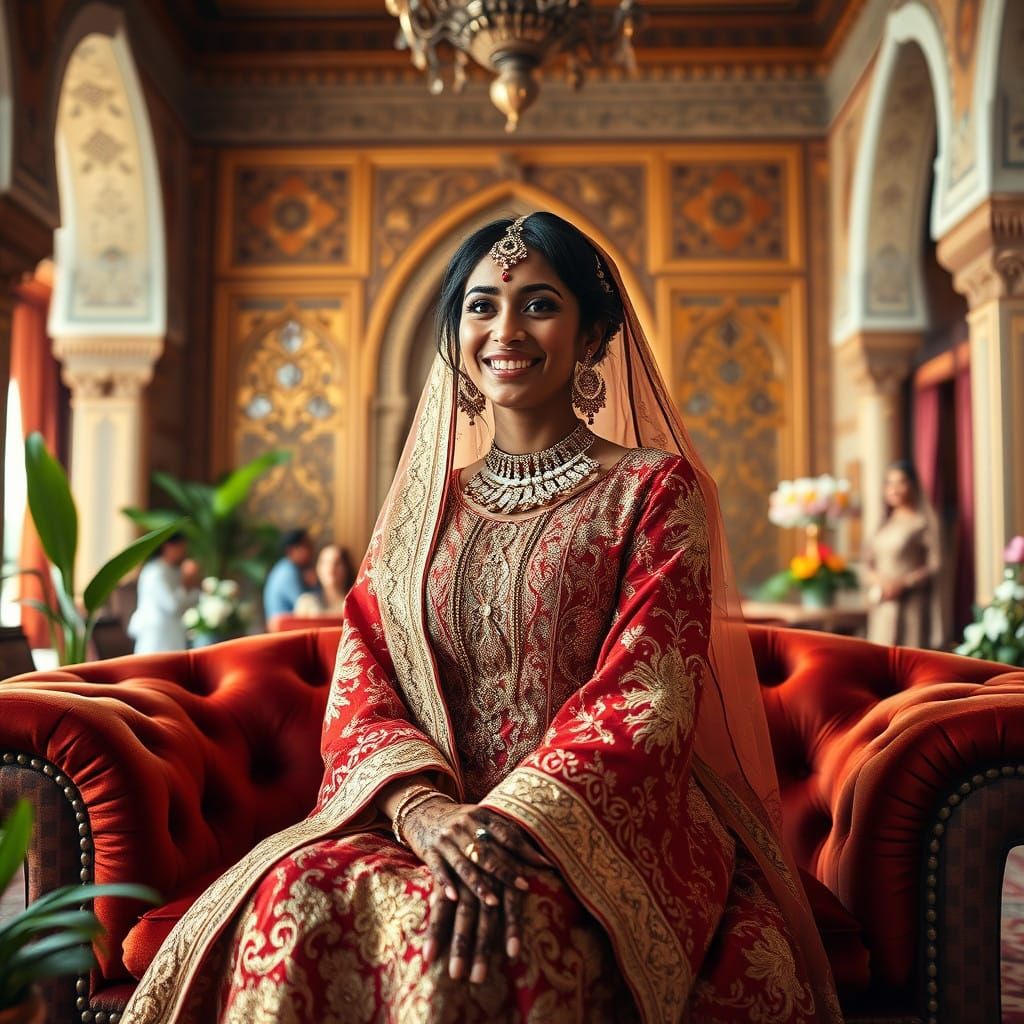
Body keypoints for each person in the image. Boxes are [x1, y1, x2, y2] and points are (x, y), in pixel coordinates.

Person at [124, 213, 840, 1022]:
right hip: (421, 816)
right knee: (297, 893)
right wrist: (422, 810)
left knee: (502, 925)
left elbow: (649, 693)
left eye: (539, 304)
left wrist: (512, 823)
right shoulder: (424, 508)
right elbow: (367, 677)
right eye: (480, 306)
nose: (505, 329)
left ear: (593, 334)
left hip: (601, 825)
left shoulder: (653, 491)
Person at [864, 460, 943, 648]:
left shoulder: (923, 522)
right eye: (889, 483)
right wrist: (878, 581)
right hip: (883, 604)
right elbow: (868, 562)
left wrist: (904, 583)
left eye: (901, 482)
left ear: (913, 485)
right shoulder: (883, 524)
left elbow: (936, 566)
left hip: (911, 605)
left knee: (909, 659)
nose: (894, 489)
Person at [126, 534, 200, 655]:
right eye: (181, 547)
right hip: (157, 633)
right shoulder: (155, 572)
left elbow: (192, 600)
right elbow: (173, 605)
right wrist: (186, 584)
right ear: (168, 547)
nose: (183, 552)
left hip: (174, 632)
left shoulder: (175, 571)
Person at [262, 527, 315, 619]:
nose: (312, 550)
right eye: (307, 546)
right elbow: (309, 607)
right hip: (283, 630)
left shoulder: (286, 567)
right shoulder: (288, 572)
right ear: (291, 550)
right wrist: (315, 584)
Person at [293, 543, 354, 616]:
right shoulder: (306, 602)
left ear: (347, 568)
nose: (331, 567)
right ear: (317, 568)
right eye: (325, 562)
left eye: (337, 562)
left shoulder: (355, 605)